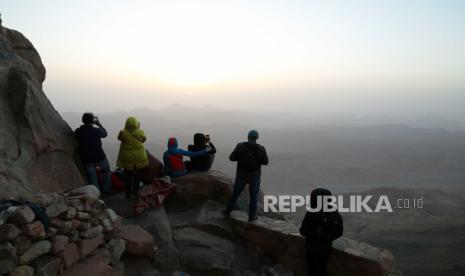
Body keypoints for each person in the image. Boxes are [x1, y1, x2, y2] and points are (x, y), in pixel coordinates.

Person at [222, 130, 269, 222]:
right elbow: (266, 162)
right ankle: (251, 217)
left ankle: (227, 211)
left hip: (241, 174)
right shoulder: (261, 148)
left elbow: (231, 158)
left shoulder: (240, 146)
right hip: (254, 175)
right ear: (257, 138)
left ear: (248, 137)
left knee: (235, 194)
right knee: (253, 197)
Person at [299, 188, 343, 276]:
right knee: (323, 269)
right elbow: (339, 232)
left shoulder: (312, 213)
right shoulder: (333, 212)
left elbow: (303, 231)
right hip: (326, 248)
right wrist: (327, 237)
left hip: (312, 248)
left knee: (312, 270)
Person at [75, 112, 112, 195]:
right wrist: (98, 123)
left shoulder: (78, 131)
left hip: (86, 159)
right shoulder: (96, 130)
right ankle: (106, 191)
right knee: (106, 171)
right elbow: (105, 134)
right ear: (92, 121)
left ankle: (97, 195)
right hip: (99, 157)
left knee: (92, 178)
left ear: (83, 120)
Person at [116, 117, 149, 200]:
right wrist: (138, 128)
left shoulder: (123, 133)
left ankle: (128, 195)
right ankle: (135, 193)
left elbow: (119, 138)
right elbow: (144, 139)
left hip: (128, 159)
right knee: (137, 176)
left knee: (128, 176)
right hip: (139, 158)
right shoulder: (140, 132)